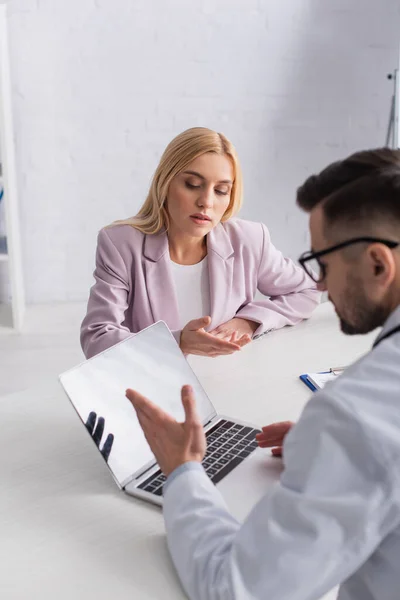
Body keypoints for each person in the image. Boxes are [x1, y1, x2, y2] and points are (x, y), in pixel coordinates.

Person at [126, 148, 400, 600]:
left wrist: (182, 473)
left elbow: (236, 588)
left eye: (324, 264)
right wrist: (332, 457)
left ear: (377, 264)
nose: (323, 286)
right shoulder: (125, 243)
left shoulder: (357, 416)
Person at [80, 127, 319, 359]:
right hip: (155, 387)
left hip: (231, 383)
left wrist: (248, 321)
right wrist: (179, 342)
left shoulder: (249, 240)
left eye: (221, 190)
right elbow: (97, 337)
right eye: (193, 185)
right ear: (166, 183)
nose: (206, 202)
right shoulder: (121, 243)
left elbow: (307, 290)